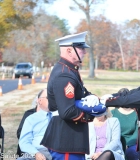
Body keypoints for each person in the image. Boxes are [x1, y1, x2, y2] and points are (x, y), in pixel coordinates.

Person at [41, 31, 100, 160]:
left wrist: (94, 98)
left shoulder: (69, 70)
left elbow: (82, 93)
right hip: (66, 138)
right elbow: (67, 112)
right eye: (81, 48)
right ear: (69, 50)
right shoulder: (65, 74)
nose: (84, 52)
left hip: (69, 138)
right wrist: (93, 113)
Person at [18, 88, 52, 160]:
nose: (53, 99)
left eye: (54, 96)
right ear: (40, 101)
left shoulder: (60, 116)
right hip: (36, 150)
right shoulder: (31, 119)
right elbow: (24, 142)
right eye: (49, 97)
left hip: (56, 151)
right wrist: (35, 153)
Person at [111, 88, 140, 160]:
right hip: (116, 142)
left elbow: (137, 132)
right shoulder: (112, 113)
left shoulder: (136, 113)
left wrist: (128, 144)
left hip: (131, 144)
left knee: (133, 152)